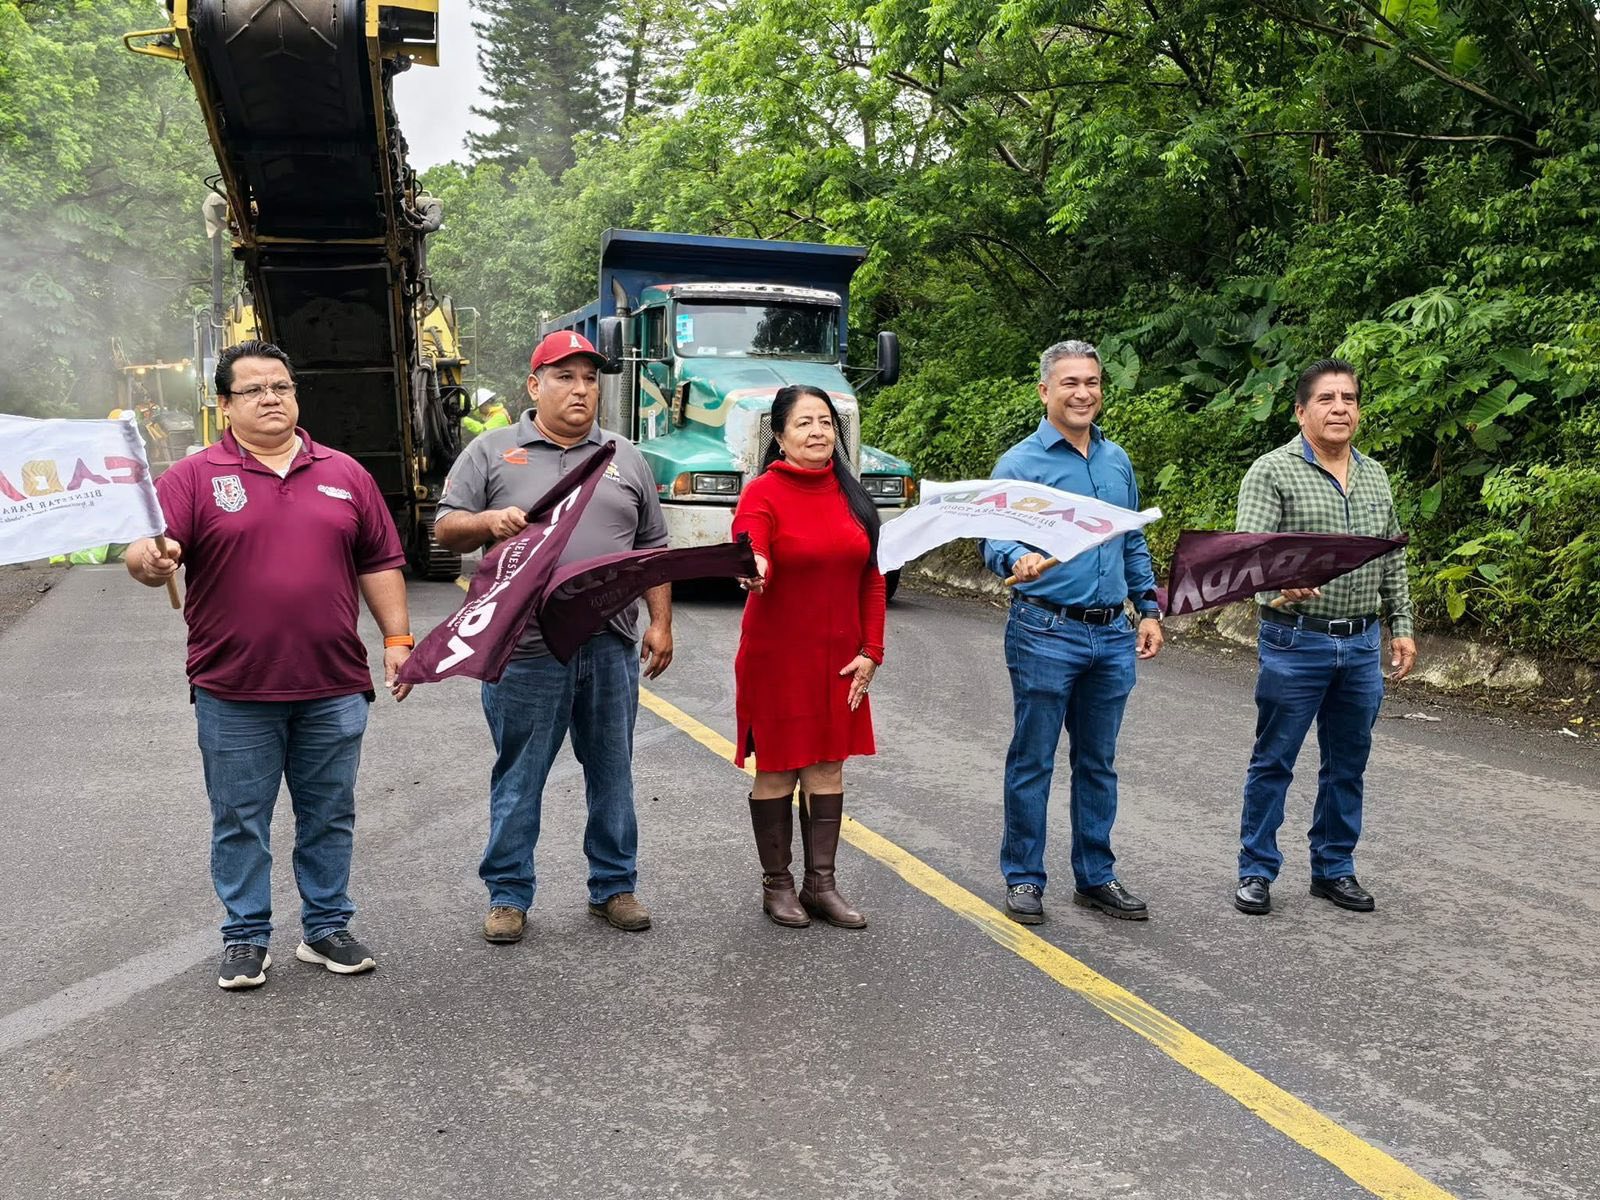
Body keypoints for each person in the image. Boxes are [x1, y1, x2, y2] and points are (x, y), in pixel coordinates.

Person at [125, 340, 414, 991]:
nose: (270, 398)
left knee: (330, 814)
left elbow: (379, 562)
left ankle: (326, 927)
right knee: (240, 820)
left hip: (333, 684)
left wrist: (398, 638)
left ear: (295, 395)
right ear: (224, 405)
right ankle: (246, 937)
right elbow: (148, 549)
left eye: (280, 386)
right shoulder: (195, 477)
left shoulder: (346, 473)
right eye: (253, 389)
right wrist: (150, 560)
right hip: (234, 688)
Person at [433, 331, 672, 942]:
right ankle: (508, 895)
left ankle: (614, 887)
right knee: (520, 771)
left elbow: (652, 547)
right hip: (525, 649)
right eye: (565, 376)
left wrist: (661, 622)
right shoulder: (492, 451)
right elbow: (447, 529)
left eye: (590, 378)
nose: (581, 389)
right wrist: (488, 521)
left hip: (608, 644)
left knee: (612, 769)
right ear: (534, 385)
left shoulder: (626, 456)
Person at [980, 339, 1164, 926]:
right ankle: (1025, 878)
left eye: (1092, 382)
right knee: (1033, 758)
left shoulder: (1116, 461)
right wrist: (1017, 558)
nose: (1083, 393)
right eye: (1069, 384)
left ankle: (1096, 876)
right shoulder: (1020, 465)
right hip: (1045, 629)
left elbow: (1131, 538)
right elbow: (993, 539)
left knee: (1098, 761)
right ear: (1045, 391)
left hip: (1111, 633)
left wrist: (1149, 607)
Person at [1232, 359, 1417, 916]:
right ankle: (1256, 870)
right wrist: (1278, 585)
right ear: (1301, 410)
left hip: (1361, 643)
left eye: (1350, 398)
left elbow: (1392, 557)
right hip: (1296, 641)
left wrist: (1401, 627)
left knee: (1348, 763)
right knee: (1275, 759)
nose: (1340, 408)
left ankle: (1334, 868)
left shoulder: (1375, 475)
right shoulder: (1272, 471)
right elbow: (1250, 555)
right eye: (1327, 399)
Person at [732, 384, 885, 929]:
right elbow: (750, 539)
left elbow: (872, 578)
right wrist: (755, 563)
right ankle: (778, 886)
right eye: (804, 423)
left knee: (827, 767)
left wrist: (872, 652)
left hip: (840, 660)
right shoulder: (762, 493)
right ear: (779, 436)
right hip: (777, 658)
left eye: (825, 422)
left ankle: (822, 884)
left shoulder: (853, 495)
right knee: (777, 770)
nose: (818, 432)